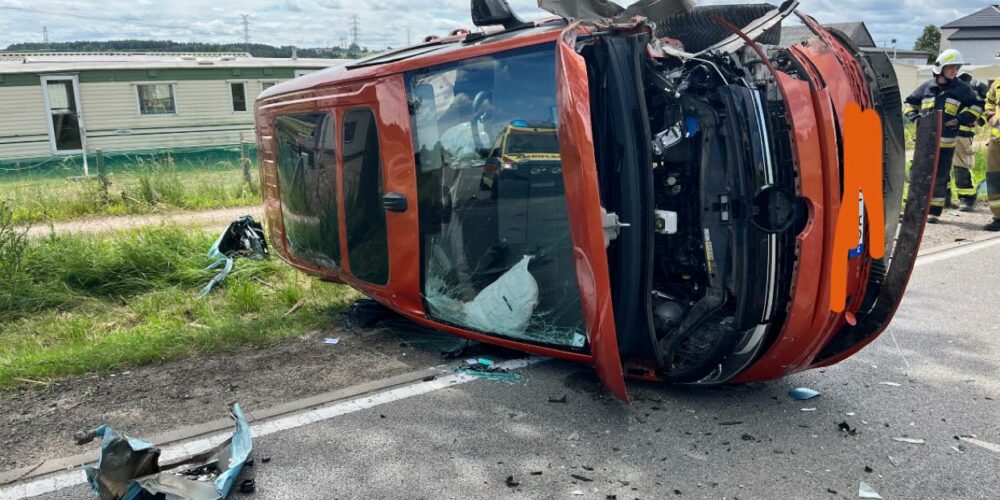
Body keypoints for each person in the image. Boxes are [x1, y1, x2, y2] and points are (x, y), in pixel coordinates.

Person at [903, 49, 982, 222]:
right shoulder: (927, 87)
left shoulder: (962, 89)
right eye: (950, 67)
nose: (954, 70)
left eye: (956, 67)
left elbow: (977, 106)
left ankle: (933, 212)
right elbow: (909, 103)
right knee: (917, 173)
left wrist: (959, 119)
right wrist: (915, 119)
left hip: (946, 143)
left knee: (940, 175)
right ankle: (913, 208)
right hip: (925, 141)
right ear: (940, 68)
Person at [983, 77, 1000, 231]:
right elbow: (989, 100)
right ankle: (998, 217)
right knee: (994, 178)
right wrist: (990, 115)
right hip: (996, 141)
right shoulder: (998, 82)